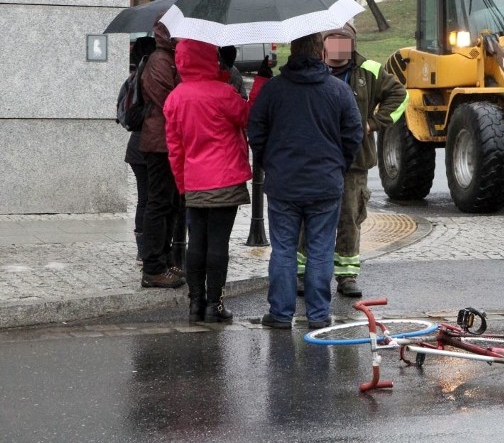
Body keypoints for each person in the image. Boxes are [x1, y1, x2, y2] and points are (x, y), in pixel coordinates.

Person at [248, 32, 362, 330]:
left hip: (283, 182)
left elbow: (256, 131)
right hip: (325, 183)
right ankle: (318, 314)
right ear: (321, 53)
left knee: (284, 248)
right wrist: (339, 164)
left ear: (292, 52)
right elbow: (354, 134)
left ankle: (281, 314)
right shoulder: (338, 90)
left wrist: (268, 162)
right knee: (321, 248)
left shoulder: (274, 90)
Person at [296, 23, 408, 298]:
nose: (337, 45)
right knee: (307, 218)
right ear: (323, 43)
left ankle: (346, 276)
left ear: (352, 43)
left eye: (343, 40)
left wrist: (373, 123)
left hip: (354, 161)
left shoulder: (369, 70)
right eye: (332, 39)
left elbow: (400, 96)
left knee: (349, 217)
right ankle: (301, 273)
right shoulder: (311, 70)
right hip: (316, 159)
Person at [163, 39, 270, 322]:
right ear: (210, 59)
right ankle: (215, 305)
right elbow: (249, 116)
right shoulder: (223, 93)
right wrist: (259, 82)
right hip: (225, 179)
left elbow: (175, 149)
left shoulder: (175, 97)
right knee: (218, 244)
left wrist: (182, 184)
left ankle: (195, 303)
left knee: (196, 242)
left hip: (194, 181)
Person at [139, 21, 185, 288]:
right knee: (158, 204)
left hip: (168, 141)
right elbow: (168, 101)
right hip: (159, 143)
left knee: (169, 204)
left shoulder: (170, 58)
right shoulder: (159, 60)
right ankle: (153, 267)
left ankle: (164, 261)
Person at [119, 36, 157, 264]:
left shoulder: (132, 78)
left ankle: (141, 249)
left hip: (135, 147)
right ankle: (149, 248)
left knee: (144, 198)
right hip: (149, 146)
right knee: (153, 199)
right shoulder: (150, 79)